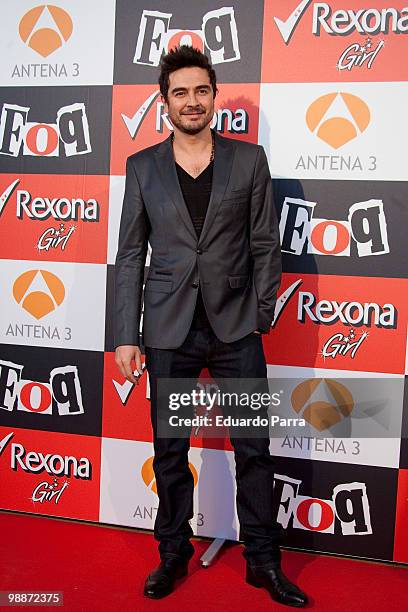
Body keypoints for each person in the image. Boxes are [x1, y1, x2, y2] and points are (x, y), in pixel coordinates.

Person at [114, 45, 308, 607]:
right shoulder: (143, 166)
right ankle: (172, 554)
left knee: (254, 447)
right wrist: (128, 333)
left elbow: (266, 245)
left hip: (234, 330)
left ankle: (262, 562)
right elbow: (131, 255)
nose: (192, 101)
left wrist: (260, 314)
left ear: (214, 96)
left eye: (202, 90)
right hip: (169, 331)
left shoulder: (248, 161)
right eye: (180, 92)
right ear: (164, 101)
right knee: (169, 449)